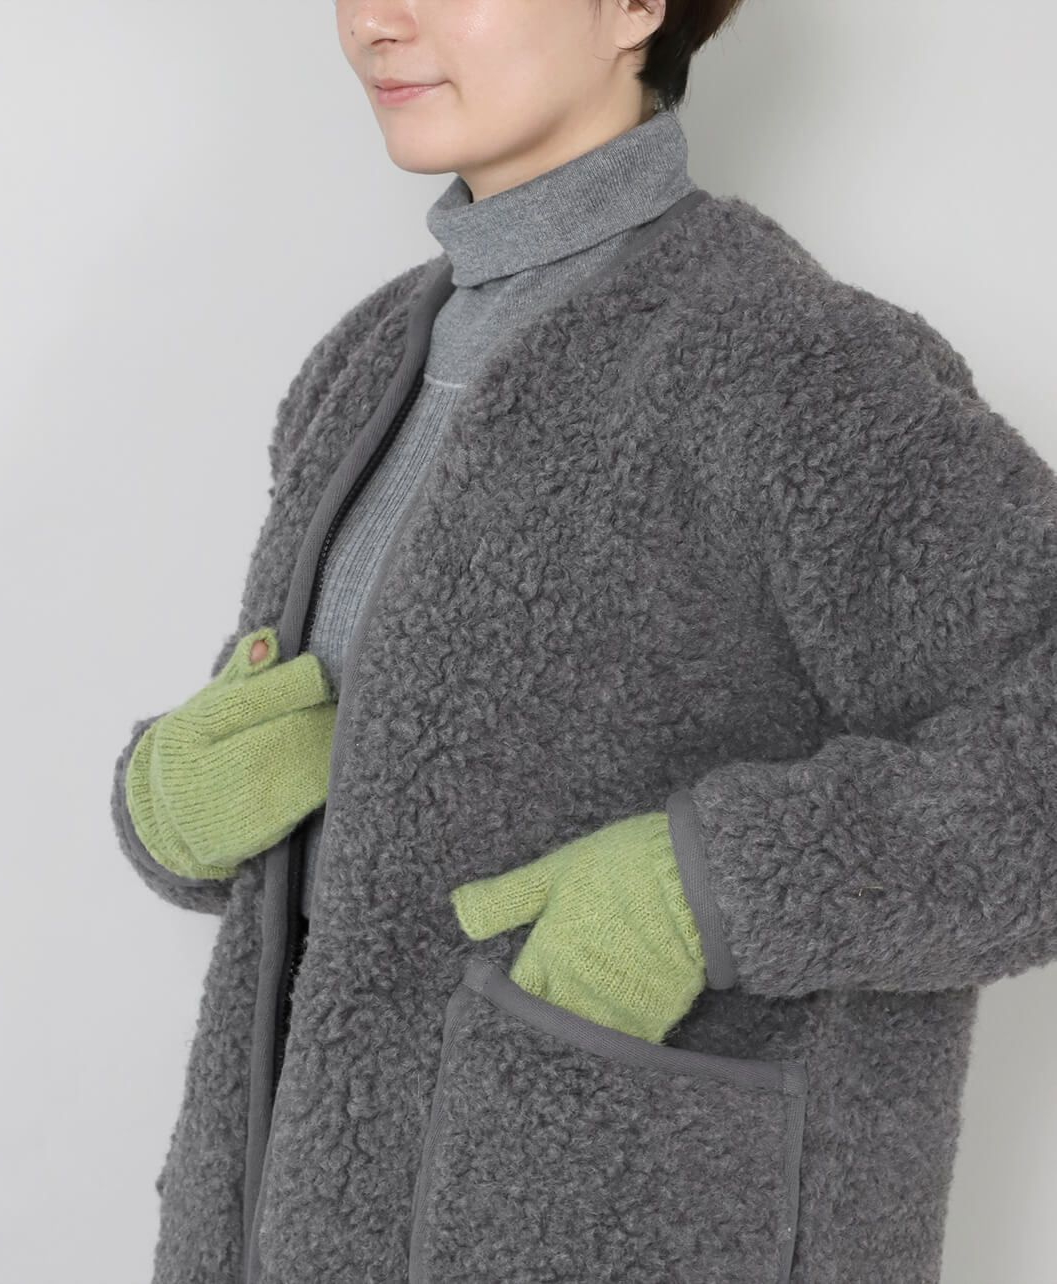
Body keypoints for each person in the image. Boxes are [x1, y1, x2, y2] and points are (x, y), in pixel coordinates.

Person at [109, 2, 1057, 1281]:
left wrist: (705, 894)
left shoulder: (791, 366)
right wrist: (172, 802)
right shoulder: (366, 363)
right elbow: (342, 819)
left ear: (633, 6)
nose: (376, 21)